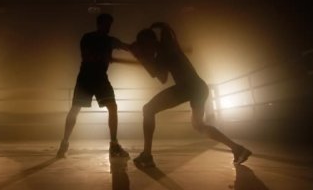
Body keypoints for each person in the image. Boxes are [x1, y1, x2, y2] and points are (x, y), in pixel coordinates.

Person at [132, 22, 252, 167]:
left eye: (145, 47)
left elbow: (158, 73)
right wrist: (144, 57)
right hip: (199, 88)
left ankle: (147, 155)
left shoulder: (166, 48)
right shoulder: (165, 50)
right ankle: (237, 148)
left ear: (150, 43)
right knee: (198, 125)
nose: (146, 51)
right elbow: (162, 78)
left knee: (148, 109)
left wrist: (141, 57)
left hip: (188, 87)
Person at [56, 13, 131, 158]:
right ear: (99, 24)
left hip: (101, 79)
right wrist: (104, 57)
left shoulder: (111, 40)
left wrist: (143, 49)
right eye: (106, 24)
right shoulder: (88, 38)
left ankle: (114, 144)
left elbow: (127, 47)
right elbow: (87, 56)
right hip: (86, 78)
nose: (109, 27)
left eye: (110, 24)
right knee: (75, 109)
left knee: (112, 107)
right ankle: (64, 142)